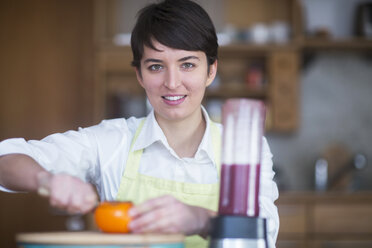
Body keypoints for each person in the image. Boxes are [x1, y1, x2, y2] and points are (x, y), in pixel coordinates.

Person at [0, 0, 279, 247]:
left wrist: (202, 220)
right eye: (156, 66)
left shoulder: (242, 147)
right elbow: (6, 159)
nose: (172, 83)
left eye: (188, 64)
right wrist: (46, 179)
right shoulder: (112, 141)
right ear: (140, 75)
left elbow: (263, 237)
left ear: (211, 70)